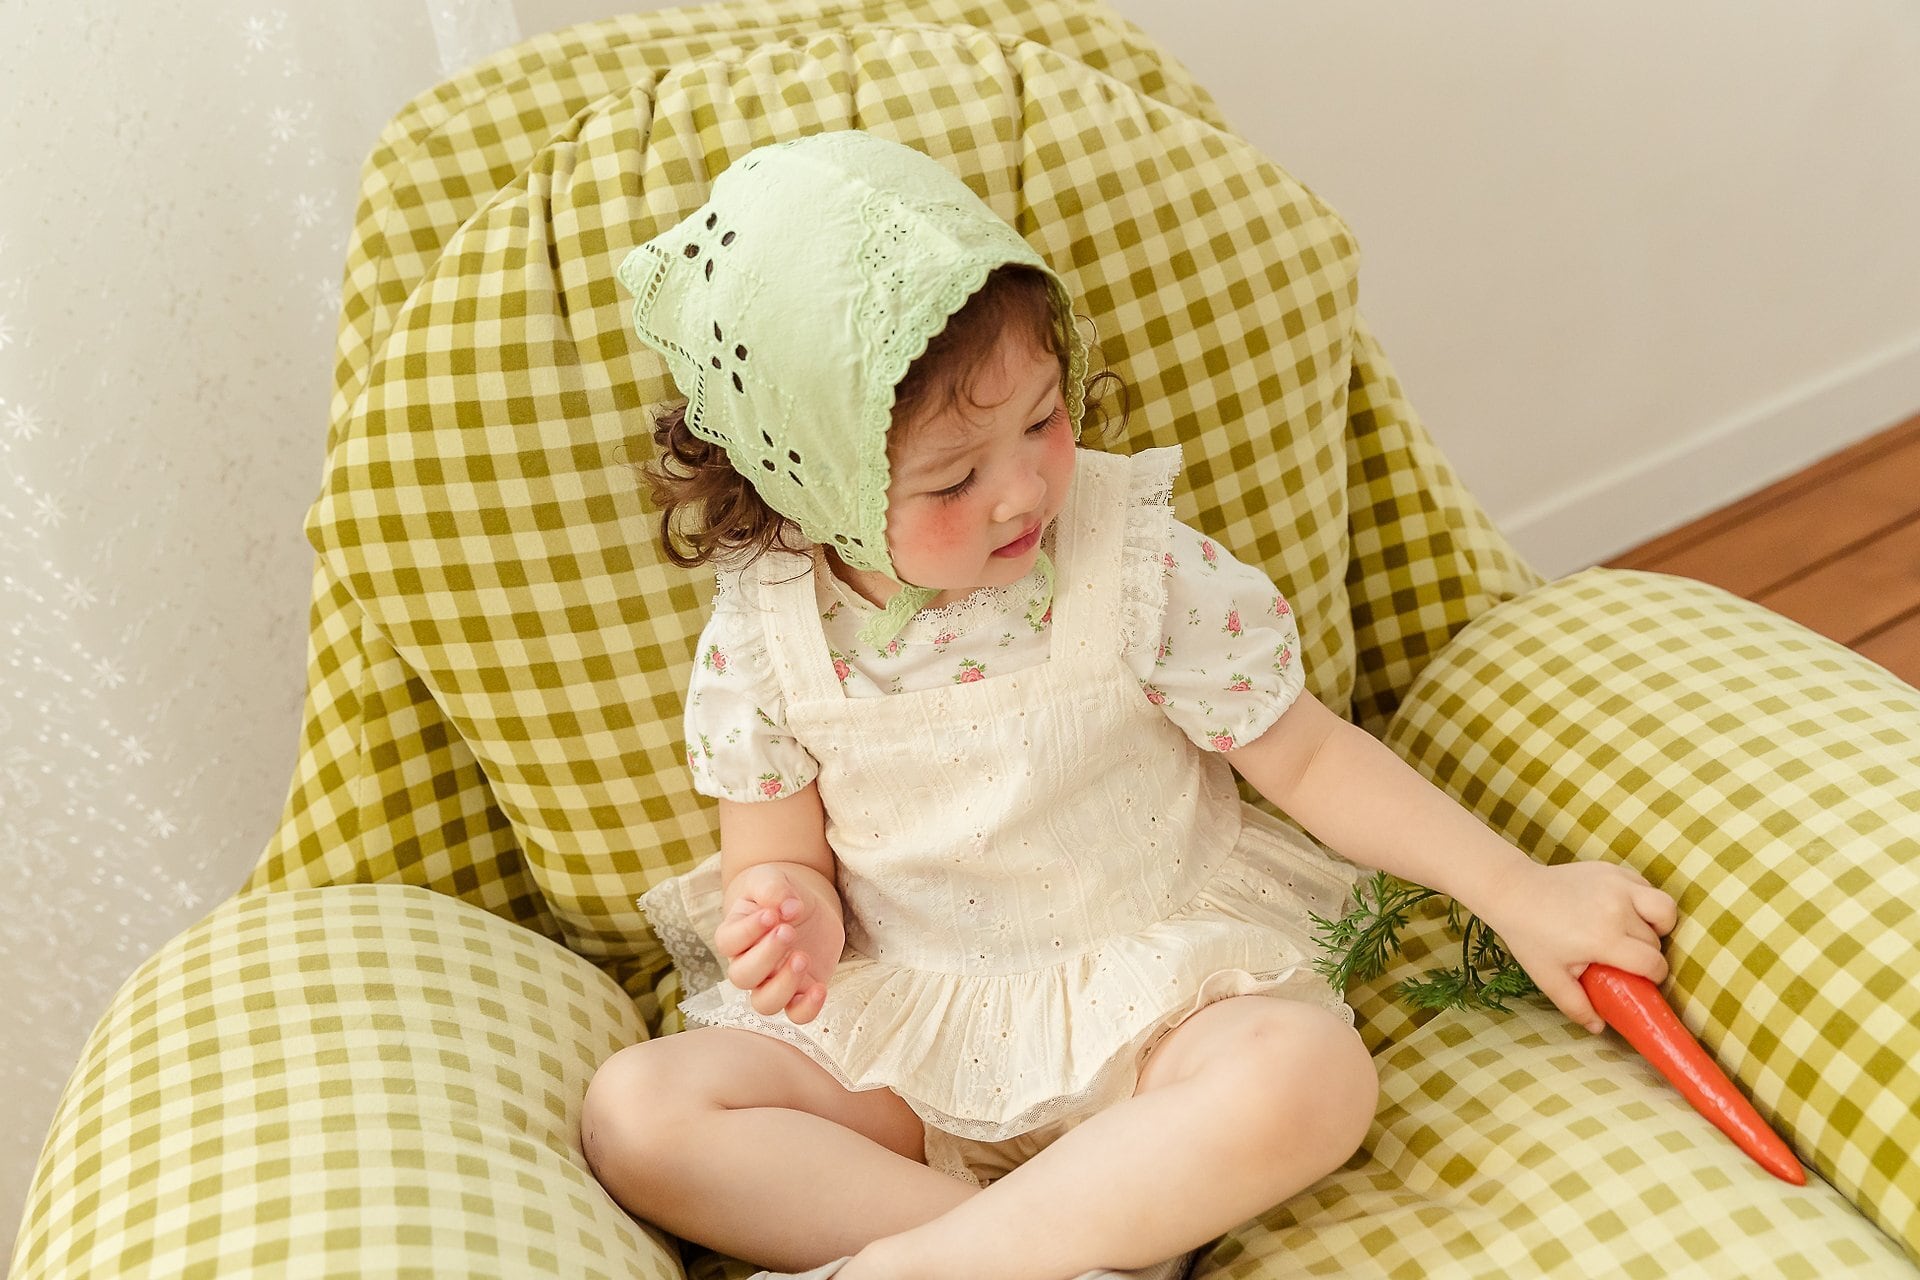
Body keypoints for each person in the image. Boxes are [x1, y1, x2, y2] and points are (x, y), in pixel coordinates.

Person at [580, 130, 1678, 1280]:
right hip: (904, 1034)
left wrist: (1521, 891)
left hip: (1155, 1012)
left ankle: (936, 1264)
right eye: (954, 477)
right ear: (808, 485)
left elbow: (1310, 759)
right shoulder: (769, 631)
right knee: (639, 1112)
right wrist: (788, 918)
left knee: (1310, 1073)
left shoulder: (1133, 561)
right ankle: (1065, 1248)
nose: (1023, 489)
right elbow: (775, 857)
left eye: (1042, 420)